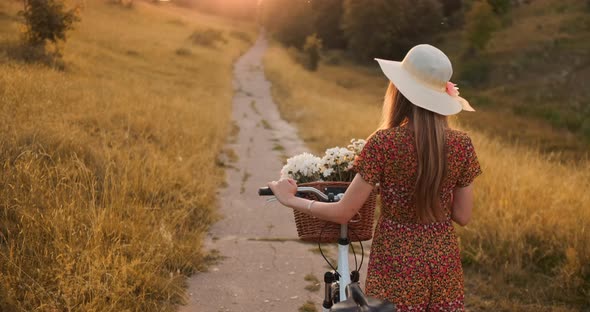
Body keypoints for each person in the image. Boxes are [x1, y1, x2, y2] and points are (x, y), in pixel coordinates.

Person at [268, 44, 482, 311]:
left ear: (400, 91)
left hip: (397, 262)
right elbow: (462, 216)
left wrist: (291, 199)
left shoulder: (384, 143)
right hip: (443, 262)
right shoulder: (462, 145)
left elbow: (344, 212)